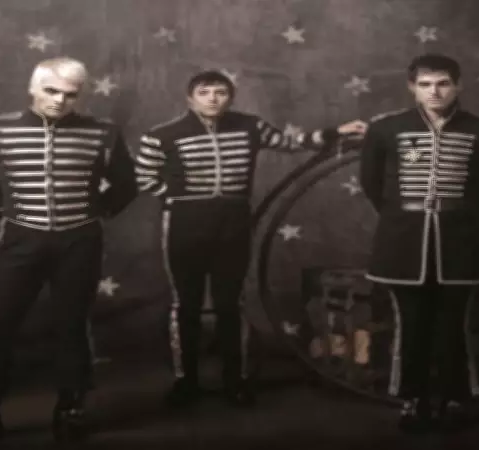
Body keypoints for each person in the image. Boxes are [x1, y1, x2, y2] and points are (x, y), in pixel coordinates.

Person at [135, 69, 367, 409]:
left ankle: (236, 381)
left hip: (233, 225)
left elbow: (292, 142)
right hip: (185, 225)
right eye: (204, 92)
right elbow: (144, 178)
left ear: (230, 97)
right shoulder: (162, 135)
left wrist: (336, 132)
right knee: (186, 304)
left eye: (220, 92)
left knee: (231, 304)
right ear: (190, 98)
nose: (213, 98)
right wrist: (183, 196)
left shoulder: (250, 126)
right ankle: (186, 381)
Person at [0, 56, 137, 442]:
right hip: (21, 239)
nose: (60, 100)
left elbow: (126, 184)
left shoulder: (103, 132)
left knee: (72, 325)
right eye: (51, 91)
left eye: (70, 94)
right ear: (33, 88)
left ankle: (71, 409)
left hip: (79, 241)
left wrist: (97, 210)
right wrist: (4, 211)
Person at [360, 53, 479, 433]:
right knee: (410, 325)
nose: (434, 92)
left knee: (452, 325)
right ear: (412, 87)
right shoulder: (387, 129)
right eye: (425, 84)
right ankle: (413, 399)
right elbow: (371, 183)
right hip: (402, 243)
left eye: (443, 83)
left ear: (458, 85)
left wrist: (457, 214)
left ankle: (454, 397)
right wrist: (402, 218)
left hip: (460, 242)